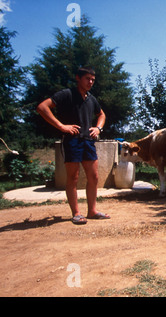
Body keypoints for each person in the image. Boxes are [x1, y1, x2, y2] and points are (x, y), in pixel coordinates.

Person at [37, 66, 110, 225]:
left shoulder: (91, 98)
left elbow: (102, 114)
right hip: (72, 141)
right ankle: (76, 213)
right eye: (87, 79)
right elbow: (42, 107)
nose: (90, 82)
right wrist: (61, 126)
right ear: (78, 78)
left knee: (94, 177)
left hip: (88, 141)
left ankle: (92, 211)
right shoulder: (66, 94)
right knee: (73, 177)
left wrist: (98, 128)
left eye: (92, 80)